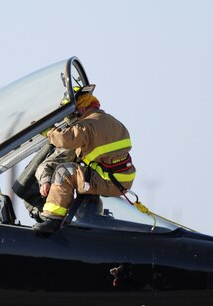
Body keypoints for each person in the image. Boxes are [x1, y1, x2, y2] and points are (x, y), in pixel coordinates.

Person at [33, 88, 136, 236]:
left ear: (81, 109)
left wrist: (47, 130)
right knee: (83, 173)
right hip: (121, 179)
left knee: (65, 172)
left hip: (108, 180)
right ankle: (89, 215)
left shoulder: (87, 125)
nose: (70, 120)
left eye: (71, 115)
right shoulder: (113, 123)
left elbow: (64, 139)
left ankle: (52, 219)